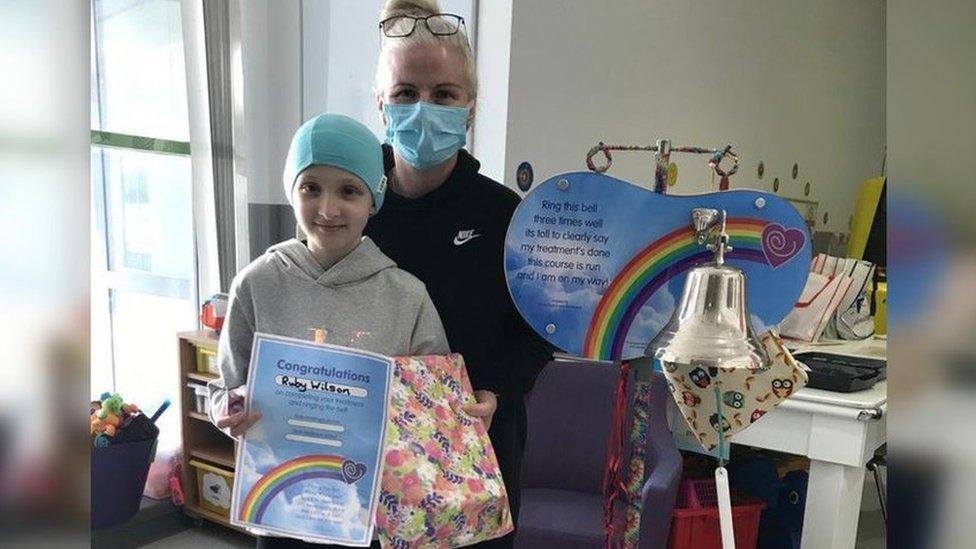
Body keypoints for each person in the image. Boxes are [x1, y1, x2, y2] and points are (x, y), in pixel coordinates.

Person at [209, 113, 450, 548]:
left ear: (373, 200)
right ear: (291, 191)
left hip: (367, 509)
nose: (328, 209)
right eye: (311, 188)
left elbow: (431, 407)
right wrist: (227, 410)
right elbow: (225, 386)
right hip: (280, 504)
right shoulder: (256, 283)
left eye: (349, 191)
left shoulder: (407, 296)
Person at [366, 1, 555, 546]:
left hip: (474, 449)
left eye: (443, 94)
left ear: (469, 108)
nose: (424, 107)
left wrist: (498, 389)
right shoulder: (347, 207)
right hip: (365, 452)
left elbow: (538, 333)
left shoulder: (507, 216)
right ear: (382, 104)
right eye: (406, 93)